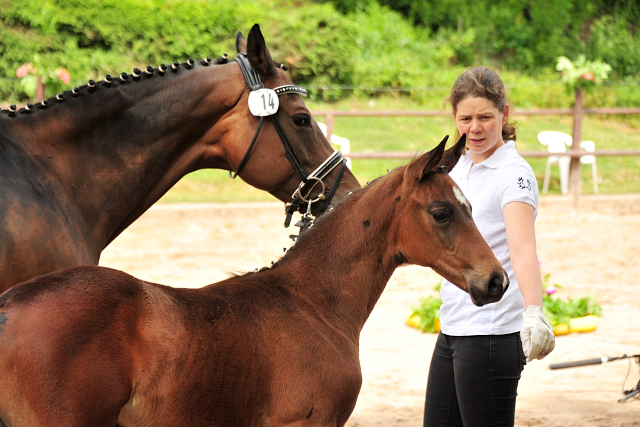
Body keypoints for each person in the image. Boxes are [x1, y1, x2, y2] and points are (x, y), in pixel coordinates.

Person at [423, 66, 555, 427]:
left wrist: (533, 310)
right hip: (453, 329)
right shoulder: (456, 166)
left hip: (492, 334)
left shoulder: (512, 175)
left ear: (505, 114)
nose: (474, 128)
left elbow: (522, 249)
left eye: (485, 117)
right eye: (465, 118)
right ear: (454, 117)